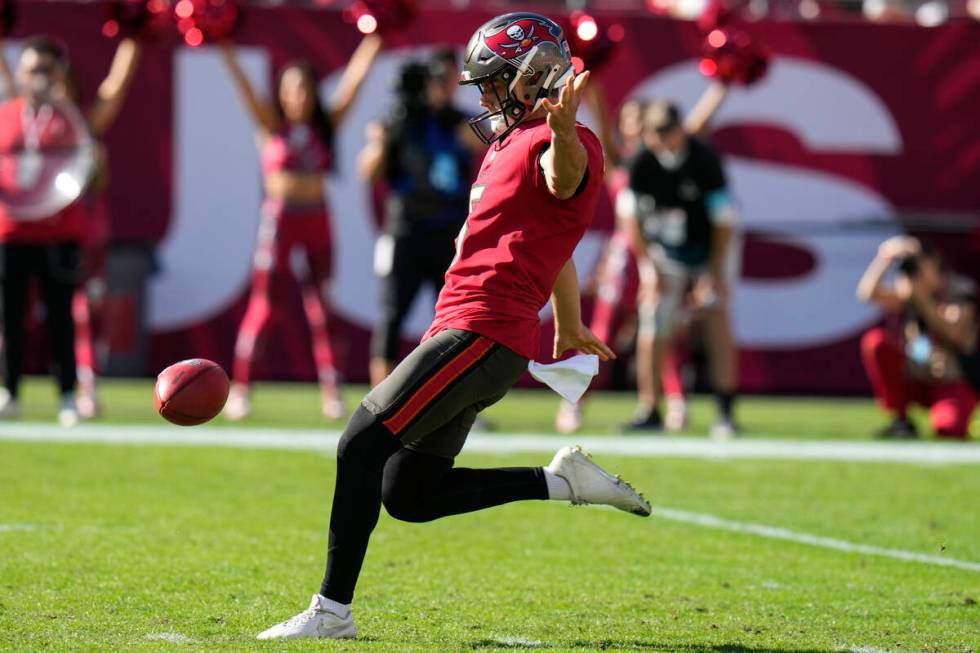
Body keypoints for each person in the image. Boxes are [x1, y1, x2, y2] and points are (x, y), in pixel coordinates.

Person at [254, 13, 650, 641]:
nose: (485, 98)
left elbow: (562, 177)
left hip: (483, 329)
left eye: (492, 84)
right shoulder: (505, 144)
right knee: (409, 493)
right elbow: (555, 245)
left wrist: (567, 131)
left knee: (359, 443)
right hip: (470, 327)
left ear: (529, 78)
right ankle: (560, 481)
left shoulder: (561, 142)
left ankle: (332, 612)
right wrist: (568, 323)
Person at [219, 34, 382, 420]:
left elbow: (354, 82)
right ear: (280, 93)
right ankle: (241, 389)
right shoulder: (270, 125)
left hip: (317, 219)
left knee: (322, 309)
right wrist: (223, 44)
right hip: (280, 220)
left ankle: (332, 392)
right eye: (292, 89)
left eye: (306, 88)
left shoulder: (326, 126)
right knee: (263, 307)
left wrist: (374, 39)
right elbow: (244, 88)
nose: (300, 96)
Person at [556, 81, 730, 434]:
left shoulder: (663, 153)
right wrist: (596, 86)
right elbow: (603, 129)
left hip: (662, 251)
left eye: (641, 118)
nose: (634, 124)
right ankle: (576, 400)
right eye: (630, 118)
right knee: (603, 329)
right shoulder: (625, 158)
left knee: (667, 329)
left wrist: (721, 86)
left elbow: (693, 126)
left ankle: (675, 402)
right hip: (629, 254)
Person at [0, 36, 137, 426]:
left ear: (61, 73)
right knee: (9, 315)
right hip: (11, 230)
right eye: (31, 70)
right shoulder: (8, 114)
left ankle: (66, 394)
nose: (38, 78)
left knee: (62, 316)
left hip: (60, 231)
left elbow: (91, 177)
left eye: (46, 69)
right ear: (21, 72)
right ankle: (10, 389)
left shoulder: (72, 120)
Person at [359, 48, 483, 387]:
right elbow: (369, 171)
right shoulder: (400, 121)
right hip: (406, 229)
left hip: (449, 231)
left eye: (448, 79)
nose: (442, 86)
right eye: (435, 79)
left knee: (453, 318)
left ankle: (448, 396)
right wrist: (382, 141)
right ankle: (378, 400)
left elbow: (484, 139)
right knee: (392, 314)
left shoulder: (460, 122)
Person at [621, 99, 740, 438]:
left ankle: (725, 409)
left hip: (710, 247)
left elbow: (724, 222)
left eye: (667, 132)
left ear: (679, 129)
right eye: (654, 133)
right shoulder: (641, 161)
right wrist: (647, 267)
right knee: (653, 318)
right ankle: (649, 407)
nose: (661, 140)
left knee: (716, 317)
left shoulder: (704, 158)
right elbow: (630, 218)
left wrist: (713, 273)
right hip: (663, 249)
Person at [857, 236, 978, 439]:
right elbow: (867, 294)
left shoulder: (960, 290)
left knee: (949, 431)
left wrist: (923, 301)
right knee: (875, 341)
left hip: (952, 380)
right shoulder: (910, 291)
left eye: (919, 262)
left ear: (935, 261)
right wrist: (885, 258)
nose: (916, 271)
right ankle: (901, 420)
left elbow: (953, 334)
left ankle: (946, 414)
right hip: (918, 377)